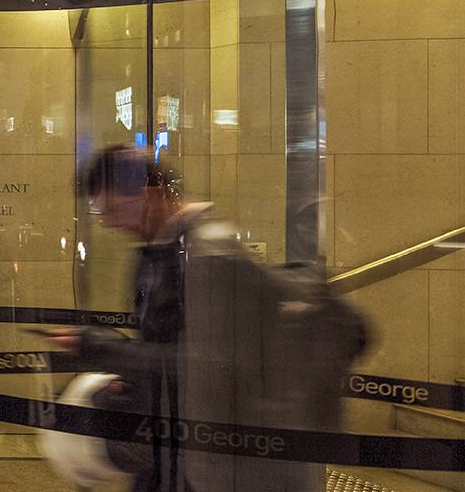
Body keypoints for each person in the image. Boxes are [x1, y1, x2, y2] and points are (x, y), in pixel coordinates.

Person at [45, 146, 355, 492]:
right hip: (184, 447)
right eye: (103, 214)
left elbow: (211, 365)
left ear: (150, 194)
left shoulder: (208, 255)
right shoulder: (162, 252)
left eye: (114, 209)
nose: (112, 223)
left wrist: (105, 349)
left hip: (216, 457)